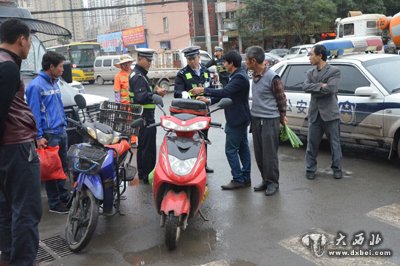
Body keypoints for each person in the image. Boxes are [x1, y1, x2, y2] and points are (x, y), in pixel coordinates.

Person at [0, 18, 42, 266]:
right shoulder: (8, 68)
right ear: (22, 39)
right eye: (29, 41)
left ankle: (8, 257)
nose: (29, 48)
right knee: (26, 211)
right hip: (17, 148)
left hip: (6, 150)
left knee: (6, 209)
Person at [191, 50, 251, 190]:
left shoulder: (239, 78)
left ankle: (238, 178)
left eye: (225, 62)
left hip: (236, 119)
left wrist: (203, 90)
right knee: (242, 148)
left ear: (231, 63)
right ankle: (245, 177)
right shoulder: (236, 75)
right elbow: (227, 93)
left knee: (231, 150)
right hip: (240, 118)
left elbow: (225, 92)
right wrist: (209, 100)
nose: (223, 64)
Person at [26, 51, 71, 214]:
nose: (62, 69)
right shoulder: (36, 86)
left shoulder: (55, 82)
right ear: (51, 67)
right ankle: (54, 203)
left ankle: (64, 196)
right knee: (51, 170)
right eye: (60, 66)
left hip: (60, 131)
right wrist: (38, 136)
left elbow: (58, 107)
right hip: (49, 134)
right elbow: (34, 114)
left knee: (62, 167)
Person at [245, 46, 287, 196]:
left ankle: (273, 183)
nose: (245, 63)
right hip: (256, 119)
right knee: (259, 154)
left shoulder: (273, 77)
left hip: (270, 120)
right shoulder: (255, 75)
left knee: (270, 155)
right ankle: (265, 179)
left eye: (247, 60)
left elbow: (281, 98)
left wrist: (282, 116)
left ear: (254, 61)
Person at [302, 44, 343, 180]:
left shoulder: (334, 71)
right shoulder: (310, 72)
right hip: (314, 114)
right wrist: (321, 86)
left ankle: (337, 168)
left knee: (335, 143)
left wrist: (316, 88)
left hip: (330, 113)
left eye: (311, 54)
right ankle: (310, 169)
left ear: (320, 56)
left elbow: (331, 89)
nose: (310, 57)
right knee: (311, 143)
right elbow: (305, 87)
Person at [174, 46, 214, 173]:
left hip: (204, 112)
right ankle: (192, 166)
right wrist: (190, 95)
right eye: (189, 59)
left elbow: (211, 88)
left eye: (193, 58)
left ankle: (204, 164)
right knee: (191, 140)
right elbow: (177, 93)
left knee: (204, 139)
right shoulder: (182, 74)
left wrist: (208, 97)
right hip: (189, 113)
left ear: (199, 57)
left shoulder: (206, 71)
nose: (191, 61)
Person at [129, 48, 167, 184]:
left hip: (143, 117)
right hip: (145, 118)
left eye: (151, 60)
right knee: (147, 149)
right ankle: (147, 175)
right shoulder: (138, 76)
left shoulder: (140, 74)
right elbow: (141, 97)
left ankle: (144, 173)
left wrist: (154, 90)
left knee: (143, 147)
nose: (150, 63)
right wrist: (156, 95)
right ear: (140, 58)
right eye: (148, 60)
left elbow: (144, 91)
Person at [114, 54, 137, 144]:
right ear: (121, 65)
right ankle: (127, 140)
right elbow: (117, 92)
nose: (127, 65)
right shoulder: (118, 76)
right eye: (125, 64)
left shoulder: (134, 74)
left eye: (128, 63)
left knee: (134, 121)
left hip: (134, 103)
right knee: (126, 123)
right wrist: (118, 105)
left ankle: (134, 140)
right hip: (124, 105)